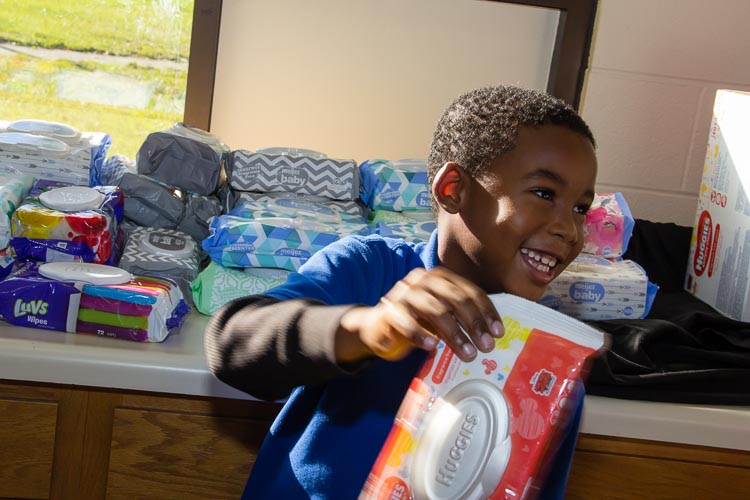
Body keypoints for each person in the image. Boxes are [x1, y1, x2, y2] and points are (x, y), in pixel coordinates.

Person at [205, 85, 598, 499]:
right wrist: (367, 328)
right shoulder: (371, 271)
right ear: (453, 190)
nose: (569, 230)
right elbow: (232, 343)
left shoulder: (549, 370)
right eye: (543, 194)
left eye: (580, 209)